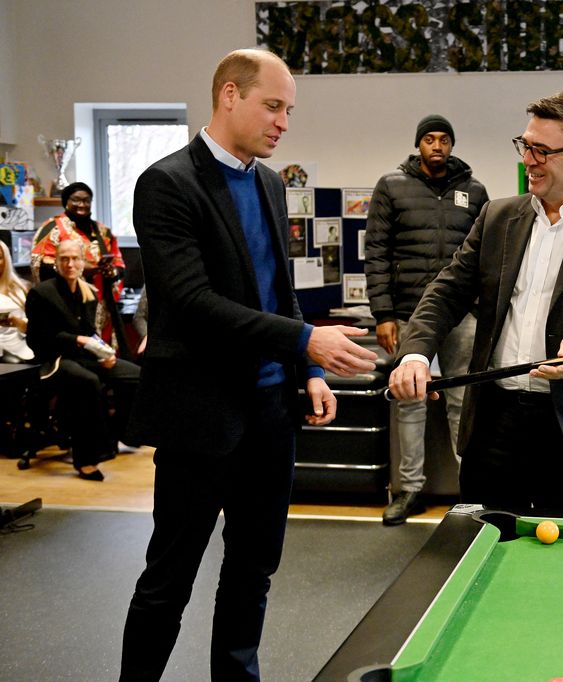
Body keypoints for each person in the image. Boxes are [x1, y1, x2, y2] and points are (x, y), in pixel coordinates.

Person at [119, 49, 378, 680]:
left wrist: (308, 371)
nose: (283, 122)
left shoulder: (267, 181)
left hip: (270, 412)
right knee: (170, 578)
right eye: (273, 105)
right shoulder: (167, 182)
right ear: (229, 95)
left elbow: (278, 292)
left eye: (289, 109)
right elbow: (192, 303)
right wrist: (305, 342)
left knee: (253, 569)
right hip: (200, 416)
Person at [388, 91, 563, 512]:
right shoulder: (497, 216)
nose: (528, 159)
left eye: (543, 151)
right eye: (526, 145)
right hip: (494, 419)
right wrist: (416, 354)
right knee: (484, 541)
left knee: (562, 554)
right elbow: (447, 290)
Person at [365, 113, 489, 525]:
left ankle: (470, 494)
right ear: (419, 145)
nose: (437, 146)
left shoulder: (474, 191)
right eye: (429, 140)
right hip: (407, 314)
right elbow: (377, 253)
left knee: (462, 402)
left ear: (452, 145)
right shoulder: (392, 186)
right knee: (410, 402)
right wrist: (383, 314)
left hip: (462, 315)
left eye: (444, 140)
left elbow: (487, 257)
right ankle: (409, 490)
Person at [25, 239, 140, 480]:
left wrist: (105, 353)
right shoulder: (41, 293)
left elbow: (90, 334)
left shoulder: (88, 291)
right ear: (56, 262)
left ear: (83, 262)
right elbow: (38, 339)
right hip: (54, 361)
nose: (70, 263)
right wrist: (77, 340)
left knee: (135, 375)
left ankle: (116, 434)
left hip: (85, 357)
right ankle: (87, 459)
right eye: (64, 258)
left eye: (75, 258)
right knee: (87, 382)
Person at [30, 181, 128, 352]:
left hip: (101, 304)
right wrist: (78, 271)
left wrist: (111, 272)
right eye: (76, 200)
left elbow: (119, 264)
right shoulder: (52, 228)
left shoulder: (103, 231)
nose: (82, 205)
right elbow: (39, 264)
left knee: (104, 355)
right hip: (67, 304)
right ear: (66, 201)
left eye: (86, 200)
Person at [0, 239, 33, 363]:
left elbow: (35, 327)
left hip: (22, 347)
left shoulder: (22, 288)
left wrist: (18, 323)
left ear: (6, 260)